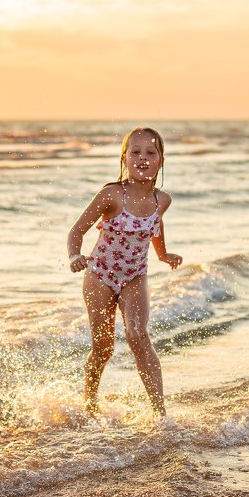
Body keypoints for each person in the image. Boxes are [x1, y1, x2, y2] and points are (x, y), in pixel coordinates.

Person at [67, 128, 182, 417]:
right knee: (103, 347)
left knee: (138, 335)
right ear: (124, 158)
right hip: (100, 276)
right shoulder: (111, 195)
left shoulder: (162, 200)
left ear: (161, 161)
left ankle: (160, 413)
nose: (143, 158)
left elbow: (155, 224)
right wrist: (74, 256)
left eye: (151, 152)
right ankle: (90, 404)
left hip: (134, 276)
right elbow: (76, 231)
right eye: (135, 152)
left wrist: (162, 253)